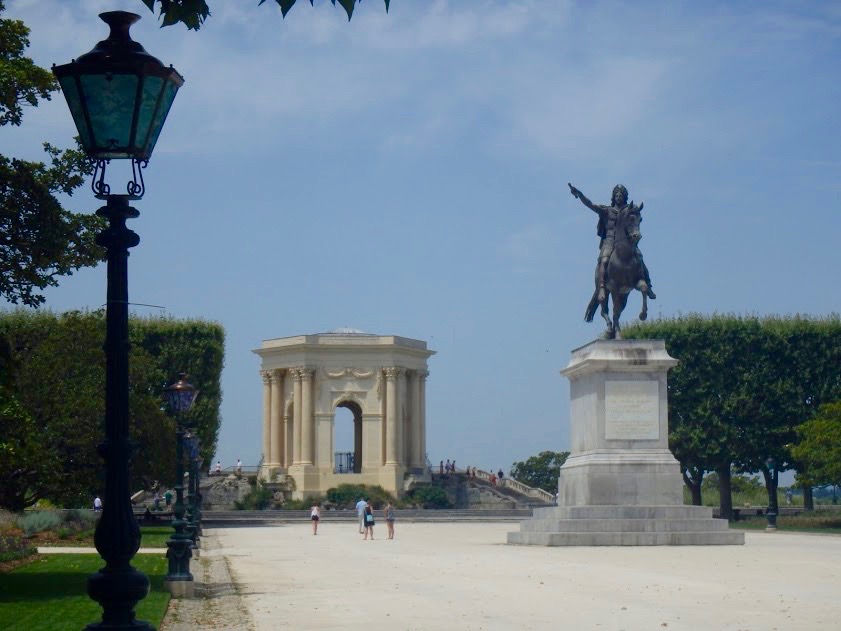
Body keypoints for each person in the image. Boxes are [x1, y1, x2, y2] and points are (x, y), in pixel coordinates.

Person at [568, 183, 655, 305]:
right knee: (604, 260)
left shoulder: (628, 211)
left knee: (639, 257)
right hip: (609, 240)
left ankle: (648, 285)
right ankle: (602, 287)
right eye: (616, 195)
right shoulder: (606, 210)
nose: (618, 197)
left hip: (626, 242)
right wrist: (580, 194)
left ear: (624, 197)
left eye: (621, 195)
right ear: (613, 197)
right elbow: (591, 205)